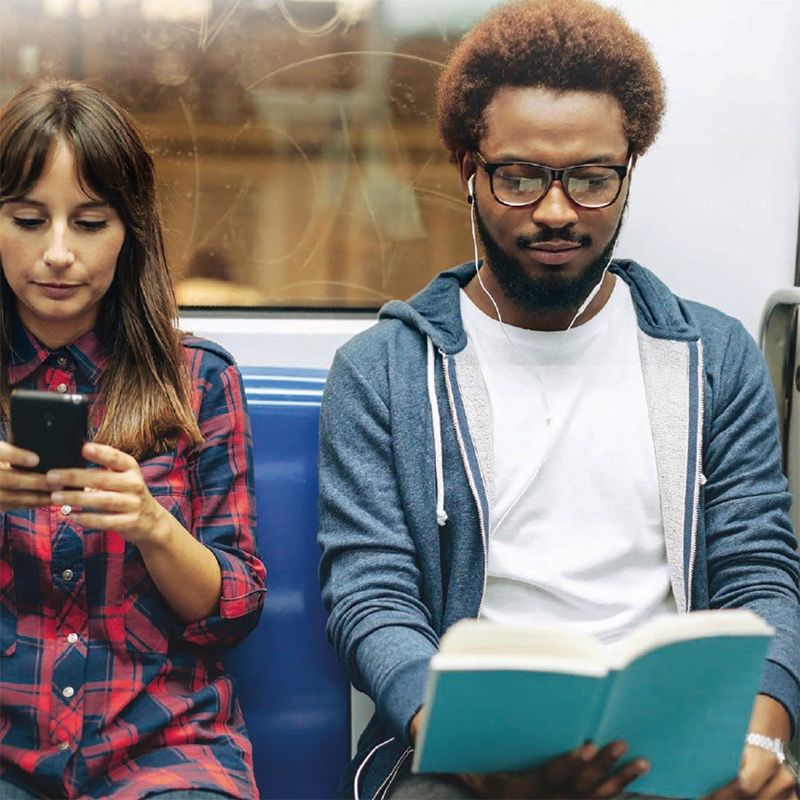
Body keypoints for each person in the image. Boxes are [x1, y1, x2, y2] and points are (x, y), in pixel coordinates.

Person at [317, 1, 800, 798]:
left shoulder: (713, 359)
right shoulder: (382, 372)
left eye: (590, 179)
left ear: (627, 172)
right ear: (468, 171)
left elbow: (759, 572)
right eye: (519, 177)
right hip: (467, 747)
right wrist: (469, 751)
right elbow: (371, 598)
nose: (554, 211)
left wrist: (762, 733)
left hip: (672, 736)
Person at [0, 81, 266, 799]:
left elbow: (232, 607)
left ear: (129, 232)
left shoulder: (197, 380)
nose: (57, 252)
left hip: (161, 746)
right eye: (28, 218)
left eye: (89, 223)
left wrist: (153, 525)